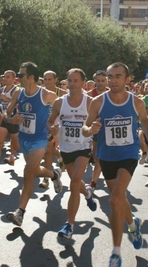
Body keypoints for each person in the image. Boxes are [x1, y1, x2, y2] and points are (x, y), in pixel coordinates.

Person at [82, 62, 148, 267]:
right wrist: (91, 130)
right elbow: (85, 128)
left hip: (128, 154)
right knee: (119, 198)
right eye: (110, 76)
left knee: (115, 199)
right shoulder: (98, 102)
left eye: (117, 76)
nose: (113, 80)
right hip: (106, 155)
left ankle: (116, 253)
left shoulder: (136, 102)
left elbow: (144, 121)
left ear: (127, 79)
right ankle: (133, 226)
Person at [4, 62, 62, 226]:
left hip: (40, 139)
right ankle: (54, 175)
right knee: (34, 170)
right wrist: (11, 120)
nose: (18, 77)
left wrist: (56, 128)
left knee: (28, 172)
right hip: (24, 139)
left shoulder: (46, 95)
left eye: (20, 75)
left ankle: (20, 212)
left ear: (30, 77)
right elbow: (5, 114)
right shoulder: (18, 93)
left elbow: (62, 110)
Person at [47, 68, 97, 239]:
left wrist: (93, 130)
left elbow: (98, 122)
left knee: (74, 182)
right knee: (77, 184)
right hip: (66, 148)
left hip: (83, 147)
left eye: (76, 81)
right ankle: (88, 193)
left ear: (83, 83)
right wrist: (52, 129)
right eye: (70, 80)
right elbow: (49, 123)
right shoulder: (59, 103)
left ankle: (69, 225)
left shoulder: (90, 102)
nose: (72, 84)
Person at [39, 70, 67, 189]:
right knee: (48, 150)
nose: (47, 82)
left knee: (49, 151)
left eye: (50, 79)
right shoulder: (40, 92)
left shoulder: (62, 94)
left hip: (57, 127)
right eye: (45, 79)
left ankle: (46, 178)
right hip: (43, 126)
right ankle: (61, 158)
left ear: (56, 80)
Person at [86, 69, 110, 191]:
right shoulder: (89, 95)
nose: (101, 83)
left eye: (103, 80)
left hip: (111, 128)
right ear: (94, 81)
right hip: (96, 129)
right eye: (98, 80)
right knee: (97, 157)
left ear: (107, 81)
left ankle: (101, 180)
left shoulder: (111, 93)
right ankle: (93, 182)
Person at [0, 70, 20, 170]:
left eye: (8, 77)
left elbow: (19, 105)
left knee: (15, 143)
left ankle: (12, 156)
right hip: (4, 119)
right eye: (4, 77)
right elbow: (2, 103)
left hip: (13, 119)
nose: (5, 78)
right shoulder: (2, 88)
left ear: (13, 79)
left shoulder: (16, 90)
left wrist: (7, 99)